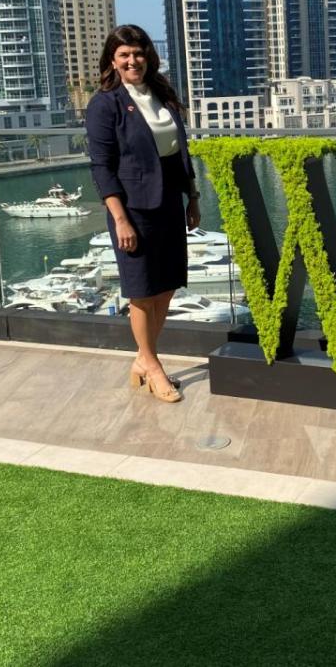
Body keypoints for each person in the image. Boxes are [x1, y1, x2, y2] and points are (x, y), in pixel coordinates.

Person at [86, 25, 200, 403]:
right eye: (124, 55)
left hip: (168, 200)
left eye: (138, 53)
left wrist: (192, 197)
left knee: (166, 286)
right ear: (113, 62)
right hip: (132, 208)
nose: (132, 60)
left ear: (148, 55)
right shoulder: (106, 103)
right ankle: (152, 366)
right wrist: (119, 219)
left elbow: (179, 152)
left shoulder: (161, 94)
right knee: (141, 291)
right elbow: (102, 167)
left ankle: (142, 360)